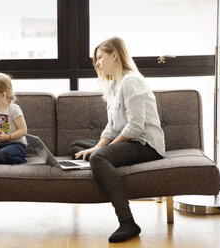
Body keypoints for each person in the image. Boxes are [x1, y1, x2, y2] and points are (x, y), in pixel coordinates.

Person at [70, 37, 165, 243]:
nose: (97, 63)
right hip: (130, 141)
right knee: (76, 147)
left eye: (100, 58)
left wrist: (104, 152)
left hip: (145, 144)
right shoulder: (114, 84)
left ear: (114, 55)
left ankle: (128, 222)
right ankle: (99, 160)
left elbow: (136, 126)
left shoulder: (131, 81)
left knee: (97, 159)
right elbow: (111, 127)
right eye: (96, 59)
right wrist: (98, 146)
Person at [0, 73, 28, 164]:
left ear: (3, 95)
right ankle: (4, 158)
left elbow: (23, 130)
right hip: (0, 145)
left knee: (3, 154)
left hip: (17, 145)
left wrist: (7, 137)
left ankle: (22, 160)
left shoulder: (13, 109)